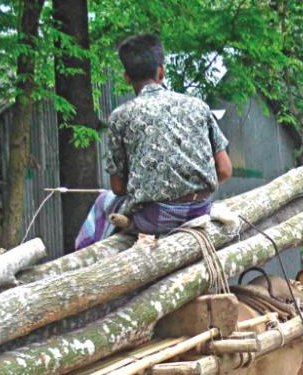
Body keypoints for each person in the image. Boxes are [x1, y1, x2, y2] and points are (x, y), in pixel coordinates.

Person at [74, 34, 233, 249]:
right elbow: (224, 170)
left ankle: (86, 254)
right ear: (161, 71)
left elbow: (118, 187)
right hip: (199, 210)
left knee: (104, 201)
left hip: (154, 218)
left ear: (126, 77)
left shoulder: (121, 116)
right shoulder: (198, 106)